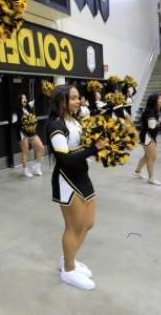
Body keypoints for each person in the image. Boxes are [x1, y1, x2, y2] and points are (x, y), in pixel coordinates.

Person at [46, 85, 108, 290]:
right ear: (61, 100)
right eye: (73, 98)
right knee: (73, 227)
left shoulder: (76, 120)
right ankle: (69, 270)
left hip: (82, 175)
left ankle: (68, 259)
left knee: (88, 224)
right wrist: (92, 149)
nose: (78, 101)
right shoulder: (56, 125)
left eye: (78, 98)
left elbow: (83, 147)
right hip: (67, 179)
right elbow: (64, 159)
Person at [133, 94, 161, 185]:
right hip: (147, 136)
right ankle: (151, 178)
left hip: (150, 135)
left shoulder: (156, 110)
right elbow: (152, 126)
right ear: (155, 101)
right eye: (160, 98)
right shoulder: (151, 112)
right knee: (152, 157)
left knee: (147, 156)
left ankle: (137, 172)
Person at [13, 94, 45, 177]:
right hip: (22, 133)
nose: (25, 99)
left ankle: (37, 167)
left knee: (40, 147)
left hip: (31, 132)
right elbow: (14, 123)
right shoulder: (16, 110)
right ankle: (25, 169)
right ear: (19, 100)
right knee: (25, 151)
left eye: (25, 98)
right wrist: (24, 123)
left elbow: (37, 100)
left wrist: (44, 92)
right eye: (23, 98)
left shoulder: (28, 107)